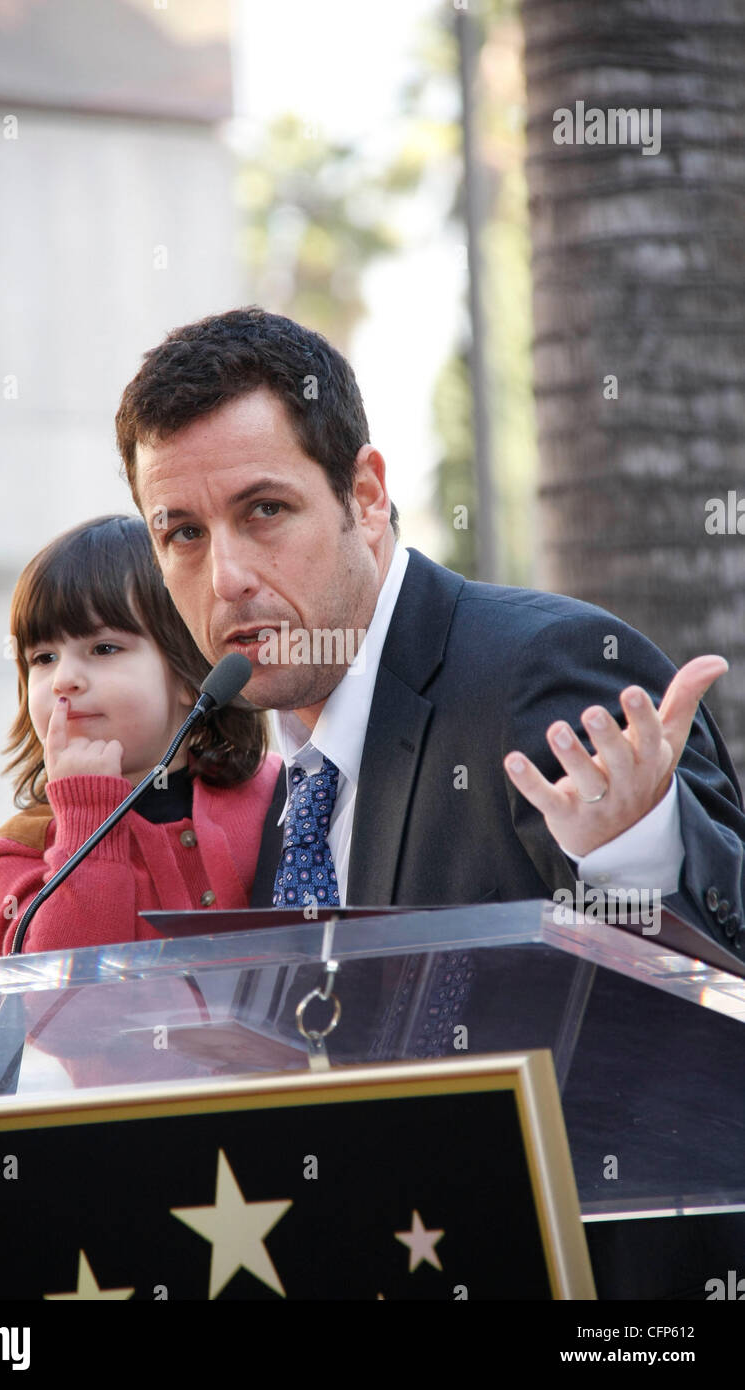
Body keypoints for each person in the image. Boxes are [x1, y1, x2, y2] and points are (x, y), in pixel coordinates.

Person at [113, 306, 745, 961]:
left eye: (265, 510)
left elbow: (711, 994)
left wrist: (637, 859)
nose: (227, 579)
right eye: (184, 533)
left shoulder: (546, 672)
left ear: (364, 497)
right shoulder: (291, 781)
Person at [0, 514, 281, 957]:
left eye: (104, 649)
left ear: (190, 673)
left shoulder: (282, 798)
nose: (63, 679)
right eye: (44, 657)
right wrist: (88, 811)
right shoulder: (13, 855)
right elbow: (57, 1005)